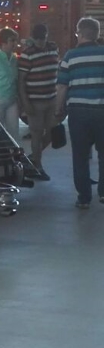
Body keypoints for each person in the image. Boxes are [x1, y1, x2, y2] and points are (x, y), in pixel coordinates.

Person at [56, 18, 104, 209]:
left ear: (80, 33)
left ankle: (84, 197)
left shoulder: (70, 56)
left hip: (78, 112)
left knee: (80, 155)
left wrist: (58, 109)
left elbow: (62, 86)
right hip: (102, 110)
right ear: (97, 34)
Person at [18, 24, 59, 181]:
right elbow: (21, 81)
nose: (41, 42)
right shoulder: (27, 54)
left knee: (51, 133)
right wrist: (25, 103)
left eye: (43, 39)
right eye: (38, 40)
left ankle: (34, 157)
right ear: (33, 38)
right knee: (36, 133)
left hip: (51, 98)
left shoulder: (53, 48)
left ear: (47, 36)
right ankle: (38, 166)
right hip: (35, 101)